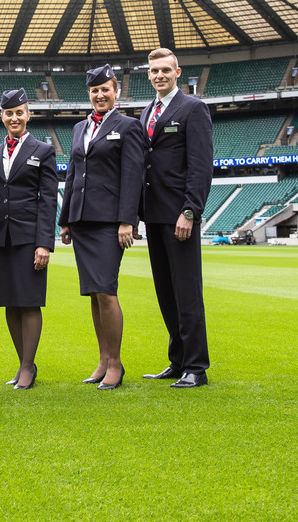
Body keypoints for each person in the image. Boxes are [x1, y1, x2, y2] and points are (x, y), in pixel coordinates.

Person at [58, 63, 145, 390]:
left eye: (105, 89)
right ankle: (102, 359)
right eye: (95, 91)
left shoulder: (128, 126)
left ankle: (116, 364)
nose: (100, 95)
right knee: (93, 294)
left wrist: (127, 219)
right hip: (81, 221)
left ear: (116, 91)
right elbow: (71, 175)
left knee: (106, 292)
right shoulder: (80, 127)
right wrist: (65, 218)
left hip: (110, 222)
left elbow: (133, 174)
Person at [140, 47, 214, 388]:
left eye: (165, 70)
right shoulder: (145, 113)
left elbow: (200, 166)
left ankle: (196, 367)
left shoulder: (193, 108)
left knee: (187, 292)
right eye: (154, 70)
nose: (159, 75)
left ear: (177, 72)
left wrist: (190, 211)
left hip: (179, 216)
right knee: (165, 292)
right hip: (153, 216)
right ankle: (178, 360)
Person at [0, 89, 58, 390]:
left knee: (29, 302)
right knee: (10, 303)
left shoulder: (43, 151)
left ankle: (27, 366)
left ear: (28, 115)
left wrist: (44, 243)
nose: (14, 118)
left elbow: (49, 200)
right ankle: (23, 362)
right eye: (9, 113)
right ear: (2, 117)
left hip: (28, 237)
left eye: (19, 112)